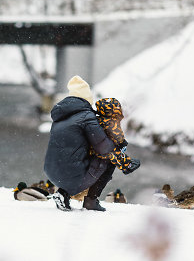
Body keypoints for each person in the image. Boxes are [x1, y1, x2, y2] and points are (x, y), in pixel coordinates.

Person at [44, 75, 118, 212]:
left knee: (74, 158)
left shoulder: (60, 117)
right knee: (111, 158)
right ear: (87, 99)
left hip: (51, 171)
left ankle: (63, 193)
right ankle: (91, 201)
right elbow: (104, 148)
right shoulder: (86, 117)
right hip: (70, 174)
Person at [93, 97, 140, 174]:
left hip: (96, 149)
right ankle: (127, 166)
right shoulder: (111, 123)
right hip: (101, 153)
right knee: (113, 152)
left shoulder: (99, 119)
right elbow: (118, 137)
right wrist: (122, 143)